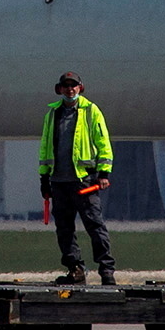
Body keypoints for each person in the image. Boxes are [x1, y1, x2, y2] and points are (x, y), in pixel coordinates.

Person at [40, 71, 115, 284]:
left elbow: (103, 143)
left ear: (80, 88)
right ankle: (76, 270)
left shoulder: (91, 111)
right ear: (60, 89)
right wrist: (44, 179)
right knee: (64, 229)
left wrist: (104, 174)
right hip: (59, 182)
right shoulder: (52, 115)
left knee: (95, 225)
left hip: (84, 181)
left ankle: (106, 270)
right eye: (66, 86)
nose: (70, 89)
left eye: (73, 85)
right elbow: (45, 149)